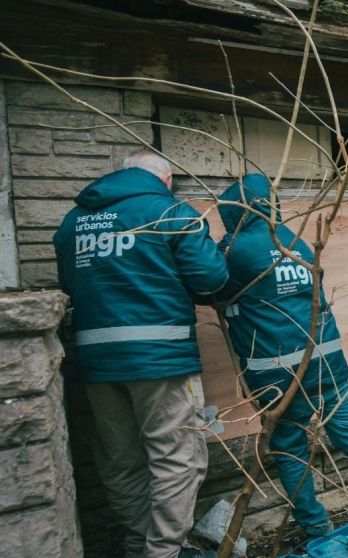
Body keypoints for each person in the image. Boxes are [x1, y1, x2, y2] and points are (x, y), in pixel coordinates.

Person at [210, 174, 348, 537]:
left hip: (278, 375)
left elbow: (206, 286)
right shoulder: (298, 242)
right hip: (328, 363)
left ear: (235, 211)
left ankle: (316, 526)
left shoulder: (235, 251)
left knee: (290, 448)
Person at [53, 150, 228, 558]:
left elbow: (70, 285)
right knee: (177, 460)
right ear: (166, 179)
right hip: (160, 359)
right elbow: (210, 279)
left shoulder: (73, 222)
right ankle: (163, 551)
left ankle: (138, 545)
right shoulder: (171, 212)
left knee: (121, 462)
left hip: (96, 362)